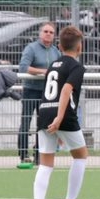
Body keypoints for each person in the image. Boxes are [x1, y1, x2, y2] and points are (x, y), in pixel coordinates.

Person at [32, 25, 88, 199]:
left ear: (60, 46)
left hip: (44, 113)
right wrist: (59, 118)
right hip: (63, 114)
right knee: (80, 156)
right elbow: (65, 90)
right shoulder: (76, 67)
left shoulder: (52, 66)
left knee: (46, 163)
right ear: (79, 47)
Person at [17, 22, 61, 168]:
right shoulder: (31, 48)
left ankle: (38, 154)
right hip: (30, 90)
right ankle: (23, 154)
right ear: (40, 33)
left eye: (51, 32)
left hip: (47, 93)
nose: (48, 34)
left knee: (42, 125)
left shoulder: (55, 51)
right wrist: (43, 72)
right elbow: (23, 67)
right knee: (26, 122)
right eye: (46, 31)